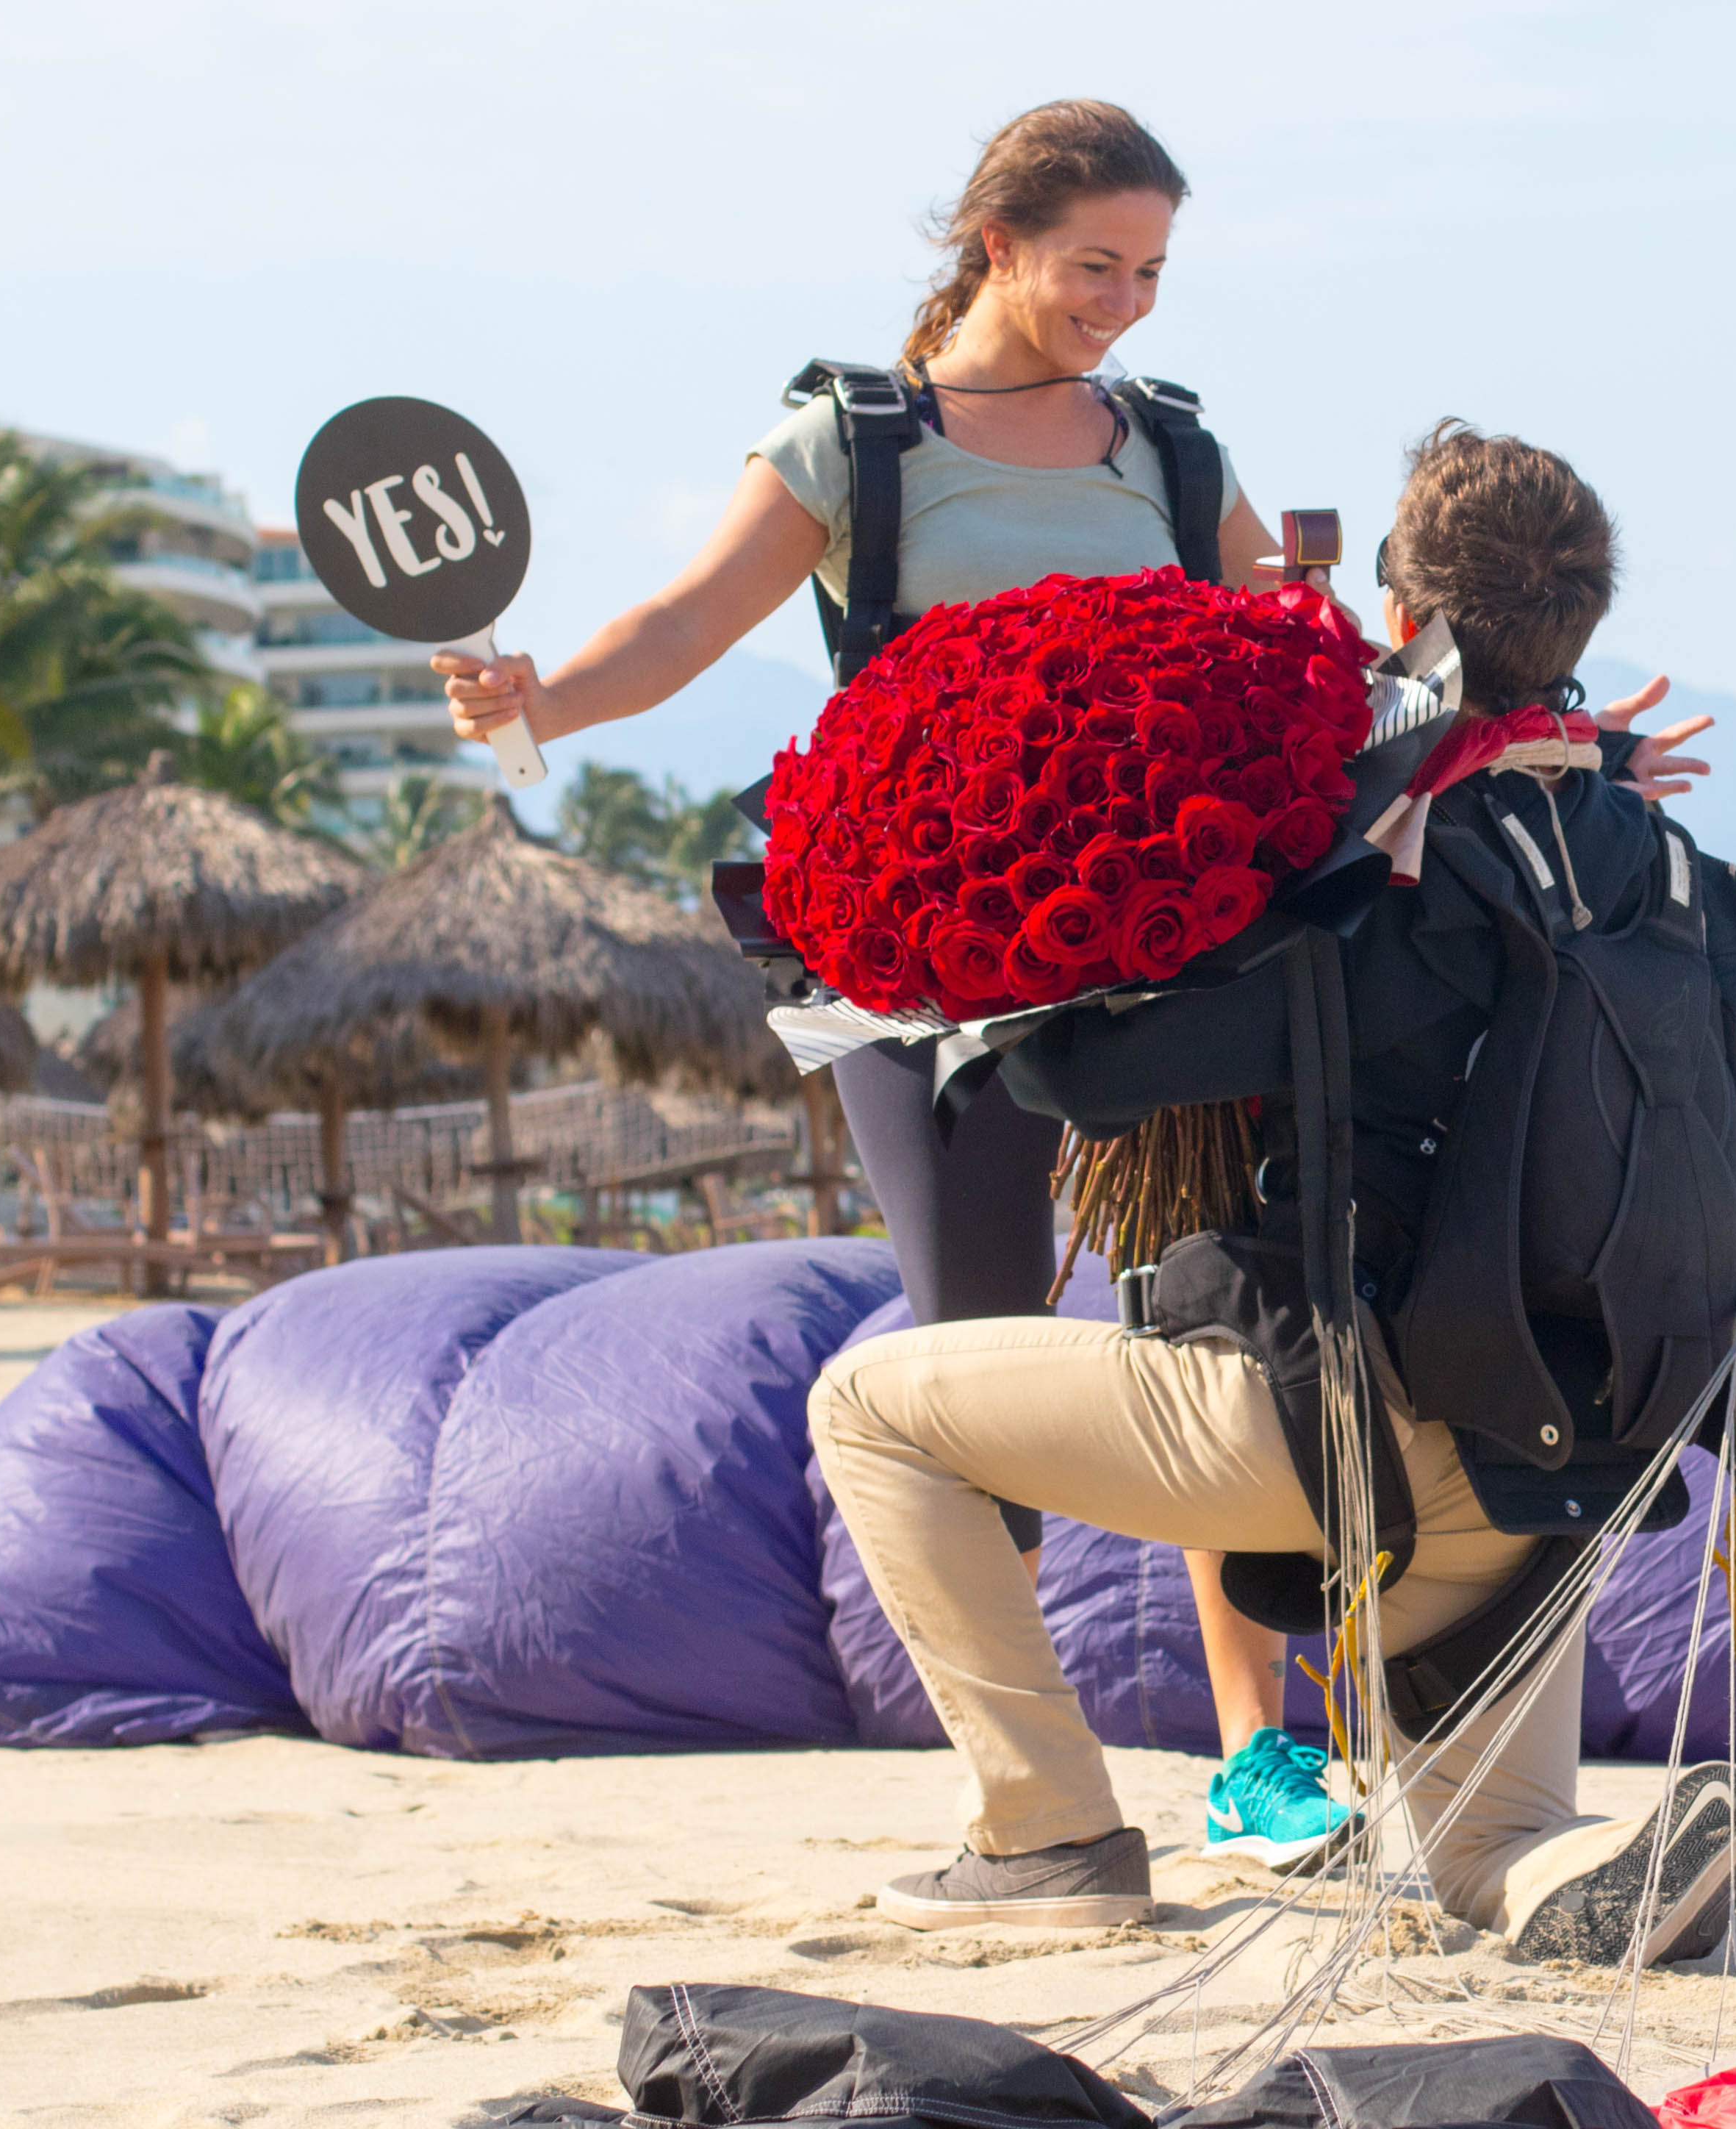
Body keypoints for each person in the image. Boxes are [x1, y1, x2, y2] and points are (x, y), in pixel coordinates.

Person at [439, 99, 1363, 1861]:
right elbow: (689, 621)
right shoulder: (856, 438)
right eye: (1097, 263)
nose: (1127, 303)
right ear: (995, 239)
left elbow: (1304, 643)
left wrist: (1528, 722)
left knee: (1215, 1316)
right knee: (977, 1349)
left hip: (1171, 948)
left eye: (1154, 270)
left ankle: (1263, 1751)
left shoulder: (1163, 443)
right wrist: (539, 697)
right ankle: (1031, 1794)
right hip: (923, 963)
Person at [807, 424, 1736, 1964]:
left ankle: (1045, 1829)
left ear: (1407, 610)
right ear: (1582, 623)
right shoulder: (1657, 862)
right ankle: (1571, 1868)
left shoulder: (1385, 866)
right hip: (1572, 1454)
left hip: (1340, 1425)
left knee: (869, 1403)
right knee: (1484, 1850)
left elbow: (1081, 1088)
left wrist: (996, 951)